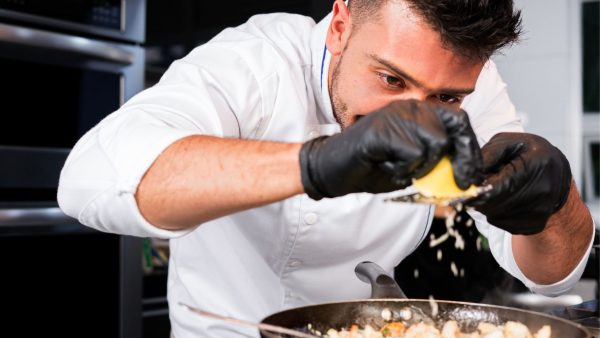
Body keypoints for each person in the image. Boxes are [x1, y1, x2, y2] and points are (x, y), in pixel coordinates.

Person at [57, 0, 595, 337]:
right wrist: (314, 165)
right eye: (390, 80)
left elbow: (547, 278)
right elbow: (89, 179)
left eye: (448, 97)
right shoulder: (258, 61)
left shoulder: (473, 89)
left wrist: (554, 207)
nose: (416, 113)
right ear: (339, 25)